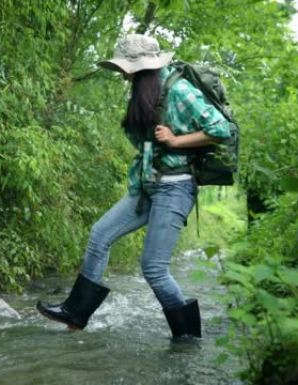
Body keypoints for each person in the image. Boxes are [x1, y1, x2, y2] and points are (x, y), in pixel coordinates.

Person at [36, 34, 232, 339]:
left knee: (154, 268)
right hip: (148, 185)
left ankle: (188, 339)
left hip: (176, 188)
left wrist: (176, 140)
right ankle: (75, 315)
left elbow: (222, 129)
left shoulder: (179, 89)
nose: (123, 73)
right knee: (100, 235)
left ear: (141, 67)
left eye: (126, 67)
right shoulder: (145, 92)